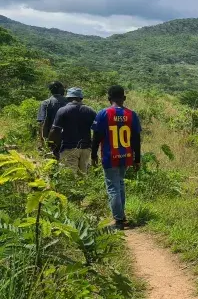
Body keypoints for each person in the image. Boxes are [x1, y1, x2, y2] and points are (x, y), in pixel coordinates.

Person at [92, 85, 142, 230]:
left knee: (113, 187)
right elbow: (136, 139)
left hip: (110, 156)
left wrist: (94, 154)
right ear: (124, 98)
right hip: (125, 156)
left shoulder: (103, 114)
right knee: (119, 185)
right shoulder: (132, 115)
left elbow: (96, 137)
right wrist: (137, 159)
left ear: (109, 99)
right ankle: (121, 216)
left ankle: (119, 220)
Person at [48, 88, 97, 173]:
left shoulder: (63, 110)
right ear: (81, 98)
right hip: (86, 149)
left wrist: (51, 145)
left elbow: (55, 130)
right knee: (83, 176)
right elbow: (97, 130)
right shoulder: (90, 111)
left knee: (69, 178)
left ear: (68, 98)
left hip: (69, 149)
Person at [37, 81, 68, 154]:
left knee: (52, 157)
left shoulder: (45, 103)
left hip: (51, 136)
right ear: (60, 89)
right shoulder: (68, 102)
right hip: (67, 136)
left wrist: (42, 140)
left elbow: (42, 122)